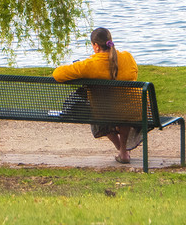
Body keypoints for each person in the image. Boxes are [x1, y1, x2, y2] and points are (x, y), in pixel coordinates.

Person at [52, 26, 141, 164]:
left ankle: (122, 150)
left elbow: (57, 74)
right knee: (123, 109)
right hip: (132, 111)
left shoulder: (90, 65)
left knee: (95, 111)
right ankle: (123, 150)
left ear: (96, 46)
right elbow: (134, 73)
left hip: (104, 113)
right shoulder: (127, 57)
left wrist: (83, 63)